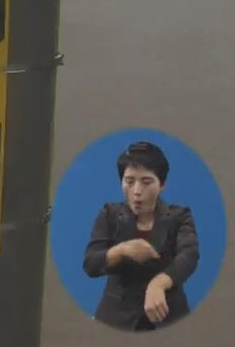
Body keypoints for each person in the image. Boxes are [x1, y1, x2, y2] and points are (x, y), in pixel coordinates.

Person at [83, 141, 200, 331]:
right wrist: (122, 250)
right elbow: (91, 264)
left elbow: (189, 255)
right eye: (129, 181)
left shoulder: (180, 216)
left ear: (162, 184)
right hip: (116, 319)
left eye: (146, 182)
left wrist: (159, 284)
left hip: (168, 317)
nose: (137, 191)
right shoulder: (109, 214)